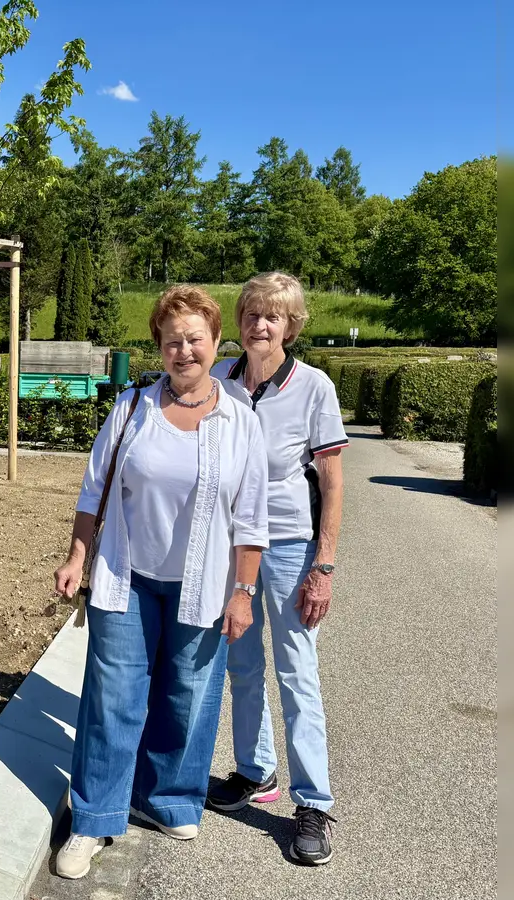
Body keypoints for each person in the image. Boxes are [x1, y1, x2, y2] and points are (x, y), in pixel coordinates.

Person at [51, 285, 269, 880]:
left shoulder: (240, 420)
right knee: (113, 699)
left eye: (194, 339)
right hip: (128, 577)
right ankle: (94, 818)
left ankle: (168, 796)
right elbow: (94, 491)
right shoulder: (131, 408)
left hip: (205, 582)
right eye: (172, 340)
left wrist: (244, 591)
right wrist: (78, 557)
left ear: (215, 341)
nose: (183, 351)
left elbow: (251, 517)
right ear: (159, 345)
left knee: (189, 697)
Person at [207, 272, 348, 866]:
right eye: (251, 314)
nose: (259, 325)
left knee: (296, 670)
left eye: (273, 317)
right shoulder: (220, 379)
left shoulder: (314, 387)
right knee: (241, 662)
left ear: (291, 325)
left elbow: (333, 483)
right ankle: (254, 770)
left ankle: (312, 802)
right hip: (234, 544)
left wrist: (325, 565)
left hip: (290, 543)